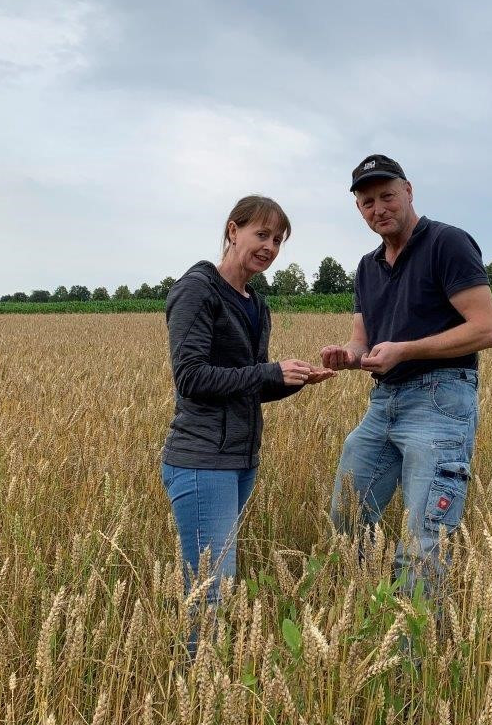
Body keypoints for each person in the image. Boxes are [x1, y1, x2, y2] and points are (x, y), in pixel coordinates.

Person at [321, 155, 492, 594]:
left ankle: (413, 656)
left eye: (387, 196)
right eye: (367, 203)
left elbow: (487, 329)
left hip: (440, 400)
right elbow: (361, 339)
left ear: (409, 191)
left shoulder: (447, 243)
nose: (378, 208)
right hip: (383, 403)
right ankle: (366, 620)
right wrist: (347, 355)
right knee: (347, 518)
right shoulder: (367, 267)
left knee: (423, 544)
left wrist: (405, 350)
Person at [161, 195, 334, 647]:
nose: (270, 247)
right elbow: (192, 377)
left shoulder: (256, 304)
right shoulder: (197, 289)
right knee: (210, 591)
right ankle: (196, 686)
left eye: (278, 240)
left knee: (219, 586)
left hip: (241, 460)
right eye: (262, 234)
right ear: (232, 230)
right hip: (202, 460)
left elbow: (250, 386)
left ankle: (205, 679)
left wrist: (294, 380)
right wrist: (268, 371)